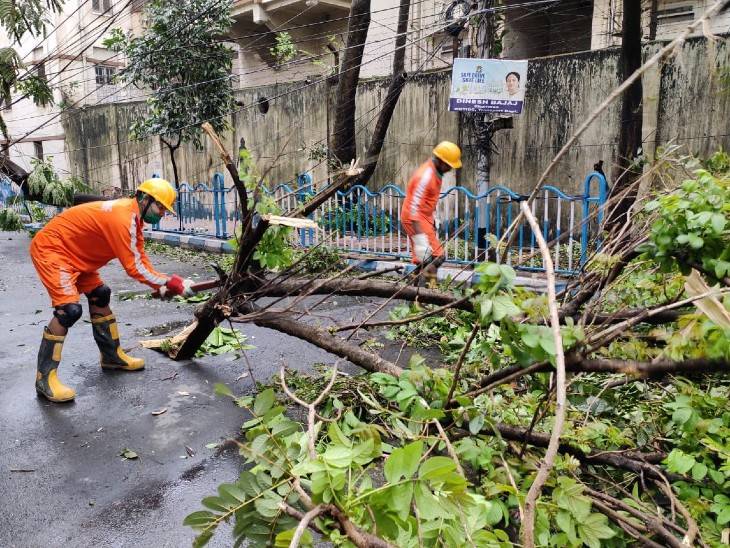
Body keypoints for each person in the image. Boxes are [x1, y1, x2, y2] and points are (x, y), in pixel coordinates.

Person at [29, 178, 195, 403]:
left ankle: (111, 357)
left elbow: (141, 260)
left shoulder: (133, 217)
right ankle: (44, 379)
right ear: (145, 199)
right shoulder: (123, 217)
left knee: (101, 294)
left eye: (165, 210)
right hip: (54, 250)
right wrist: (171, 282)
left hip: (76, 253)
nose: (162, 214)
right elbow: (135, 268)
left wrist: (164, 283)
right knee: (68, 310)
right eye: (161, 208)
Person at [400, 141, 462, 287]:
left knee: (425, 261)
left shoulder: (436, 171)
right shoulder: (425, 176)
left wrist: (433, 219)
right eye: (449, 164)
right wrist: (420, 239)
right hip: (414, 218)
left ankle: (414, 295)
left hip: (424, 217)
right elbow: (414, 207)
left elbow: (426, 200)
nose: (450, 168)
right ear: (440, 161)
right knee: (435, 257)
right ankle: (427, 295)